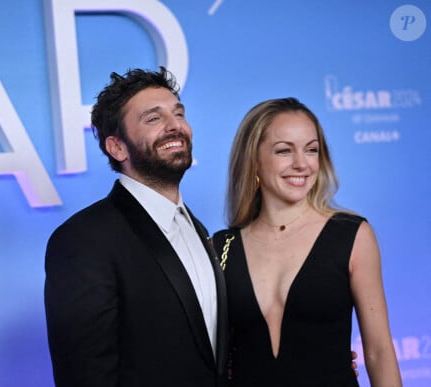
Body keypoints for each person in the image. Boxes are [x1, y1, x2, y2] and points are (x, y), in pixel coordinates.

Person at [44, 67, 228, 387]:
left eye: (178, 114)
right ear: (117, 147)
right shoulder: (82, 240)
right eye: (153, 119)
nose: (175, 126)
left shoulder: (196, 228)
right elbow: (85, 376)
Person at [212, 97, 402, 386]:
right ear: (253, 160)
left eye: (311, 150)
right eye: (284, 151)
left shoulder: (351, 235)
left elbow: (378, 352)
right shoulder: (222, 247)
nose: (301, 164)